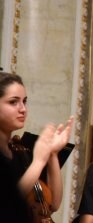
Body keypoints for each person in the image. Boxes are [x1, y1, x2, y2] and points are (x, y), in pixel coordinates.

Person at [0, 71, 73, 222]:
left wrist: (52, 154)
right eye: (13, 102)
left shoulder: (19, 151)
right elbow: (7, 202)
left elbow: (53, 204)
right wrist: (39, 161)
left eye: (24, 101)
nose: (23, 109)